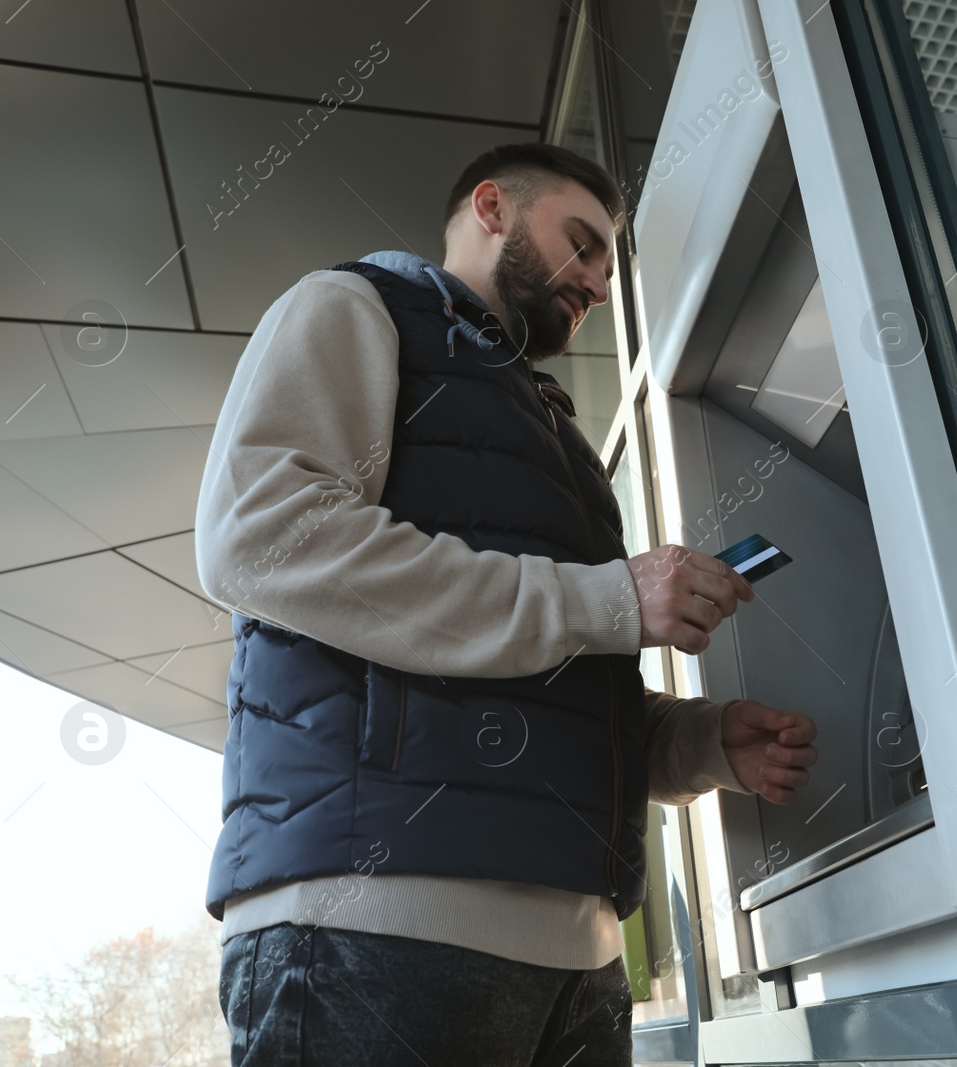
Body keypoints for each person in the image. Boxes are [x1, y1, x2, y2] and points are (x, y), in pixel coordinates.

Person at [194, 142, 819, 1066]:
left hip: (581, 957)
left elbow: (540, 662)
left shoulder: (557, 433)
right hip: (379, 931)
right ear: (491, 207)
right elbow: (262, 539)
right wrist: (609, 596)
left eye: (610, 263)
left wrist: (695, 744)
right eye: (582, 243)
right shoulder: (353, 305)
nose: (600, 282)